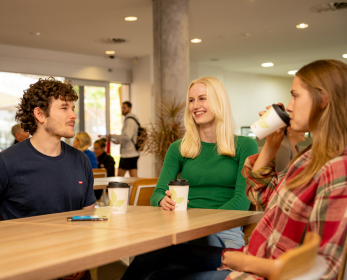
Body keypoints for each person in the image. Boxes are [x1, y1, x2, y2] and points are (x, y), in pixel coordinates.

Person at [120, 60, 347, 280]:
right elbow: (258, 195)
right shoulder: (308, 158)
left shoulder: (336, 169)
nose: (288, 106)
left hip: (255, 267)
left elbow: (321, 268)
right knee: (149, 261)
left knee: (163, 271)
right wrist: (271, 144)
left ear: (323, 99)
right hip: (254, 256)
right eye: (192, 100)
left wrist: (238, 260)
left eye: (295, 95)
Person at [0, 77, 96, 279]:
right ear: (40, 114)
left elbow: (87, 216)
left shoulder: (81, 161)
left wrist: (81, 258)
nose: (73, 115)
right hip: (24, 269)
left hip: (75, 265)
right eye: (64, 108)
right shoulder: (7, 162)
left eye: (73, 107)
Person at [150, 76, 258, 249]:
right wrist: (162, 200)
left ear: (219, 102)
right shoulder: (178, 148)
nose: (195, 106)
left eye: (202, 98)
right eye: (191, 100)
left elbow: (242, 200)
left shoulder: (245, 145)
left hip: (225, 228)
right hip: (183, 226)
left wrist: (204, 221)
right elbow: (156, 194)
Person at [111, 101, 140, 177]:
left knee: (119, 178)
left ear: (129, 109)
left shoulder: (129, 120)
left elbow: (127, 137)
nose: (122, 109)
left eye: (124, 108)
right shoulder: (131, 119)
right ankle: (137, 189)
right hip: (133, 152)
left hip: (128, 154)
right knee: (134, 178)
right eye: (122, 107)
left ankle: (117, 189)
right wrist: (119, 141)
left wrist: (112, 136)